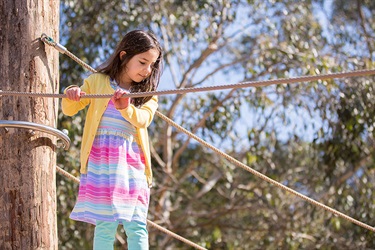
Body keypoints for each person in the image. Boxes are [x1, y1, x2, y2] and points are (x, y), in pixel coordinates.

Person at [61, 30, 163, 250]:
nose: (147, 70)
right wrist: (72, 92)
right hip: (102, 164)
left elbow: (144, 119)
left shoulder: (147, 94)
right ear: (124, 56)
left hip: (132, 165)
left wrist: (126, 108)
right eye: (143, 62)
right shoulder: (98, 82)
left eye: (152, 65)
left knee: (136, 224)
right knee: (105, 225)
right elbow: (69, 109)